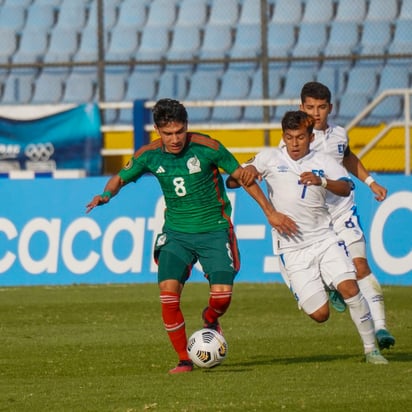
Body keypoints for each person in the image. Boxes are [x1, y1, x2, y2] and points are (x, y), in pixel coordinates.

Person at [86, 98, 296, 374]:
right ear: (158, 131)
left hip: (214, 230)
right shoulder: (149, 155)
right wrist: (106, 195)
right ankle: (184, 359)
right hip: (176, 235)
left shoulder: (209, 148)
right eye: (168, 133)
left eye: (179, 131)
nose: (175, 139)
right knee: (168, 293)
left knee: (222, 298)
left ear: (186, 126)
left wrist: (270, 212)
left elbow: (244, 179)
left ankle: (210, 320)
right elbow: (120, 178)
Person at [226, 110, 388, 364]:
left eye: (300, 137)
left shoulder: (324, 161)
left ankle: (371, 350)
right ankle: (322, 285)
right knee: (320, 314)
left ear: (310, 138)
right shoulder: (269, 157)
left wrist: (321, 181)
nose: (294, 143)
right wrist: (246, 174)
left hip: (324, 239)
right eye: (289, 137)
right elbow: (233, 182)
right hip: (292, 249)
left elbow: (346, 187)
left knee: (350, 288)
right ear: (283, 136)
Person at [298, 81, 395, 350]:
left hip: (342, 210)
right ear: (301, 107)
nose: (316, 113)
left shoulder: (339, 135)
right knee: (340, 281)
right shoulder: (298, 139)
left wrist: (371, 182)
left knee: (361, 266)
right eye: (310, 107)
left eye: (320, 107)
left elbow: (348, 158)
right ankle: (331, 285)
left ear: (330, 107)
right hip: (315, 220)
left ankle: (382, 327)